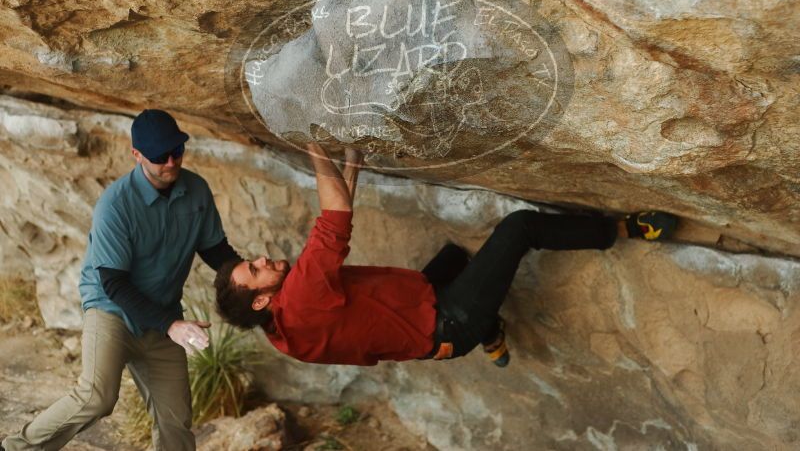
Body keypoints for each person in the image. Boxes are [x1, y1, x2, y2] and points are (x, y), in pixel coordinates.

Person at [213, 143, 677, 368]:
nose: (264, 259)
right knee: (520, 228)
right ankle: (624, 228)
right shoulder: (300, 298)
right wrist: (310, 144)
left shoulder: (283, 335)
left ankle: (491, 331)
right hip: (451, 320)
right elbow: (333, 218)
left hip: (428, 326)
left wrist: (351, 170)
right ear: (260, 300)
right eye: (255, 270)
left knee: (453, 256)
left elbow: (340, 219)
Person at [2, 109, 241, 451]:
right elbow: (114, 284)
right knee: (98, 397)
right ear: (137, 154)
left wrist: (253, 277)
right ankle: (15, 447)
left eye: (178, 151)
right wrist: (171, 325)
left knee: (176, 421)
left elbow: (217, 251)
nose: (172, 162)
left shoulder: (197, 190)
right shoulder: (115, 205)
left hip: (162, 315)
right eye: (160, 156)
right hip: (112, 310)